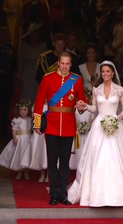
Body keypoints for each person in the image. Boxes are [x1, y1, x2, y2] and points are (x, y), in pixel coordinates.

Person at [69, 60, 123, 207]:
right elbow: (94, 108)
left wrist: (115, 119)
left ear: (112, 73)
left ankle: (120, 196)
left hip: (114, 125)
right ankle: (96, 196)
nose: (105, 74)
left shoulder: (119, 89)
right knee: (97, 158)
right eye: (103, 71)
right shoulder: (96, 89)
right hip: (99, 126)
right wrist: (85, 106)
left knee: (117, 158)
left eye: (107, 71)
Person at [33, 52, 87, 205]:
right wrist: (37, 123)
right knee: (52, 162)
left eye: (67, 64)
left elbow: (81, 99)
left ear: (71, 64)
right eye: (62, 63)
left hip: (68, 126)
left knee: (65, 162)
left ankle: (63, 194)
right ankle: (53, 195)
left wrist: (81, 104)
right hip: (51, 125)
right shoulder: (47, 78)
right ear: (58, 63)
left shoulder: (76, 80)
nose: (64, 67)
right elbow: (38, 102)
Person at [0, 100, 32, 180]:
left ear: (28, 110)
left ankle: (26, 172)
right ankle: (19, 172)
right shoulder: (17, 120)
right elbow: (14, 130)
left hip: (27, 139)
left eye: (25, 110)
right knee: (19, 155)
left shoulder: (30, 119)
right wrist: (15, 137)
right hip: (20, 139)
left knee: (26, 156)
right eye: (21, 110)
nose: (22, 112)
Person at [28, 101, 49, 182]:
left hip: (49, 130)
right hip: (40, 131)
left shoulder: (53, 103)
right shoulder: (38, 104)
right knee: (41, 153)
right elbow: (36, 116)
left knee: (48, 152)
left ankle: (48, 175)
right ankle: (42, 174)